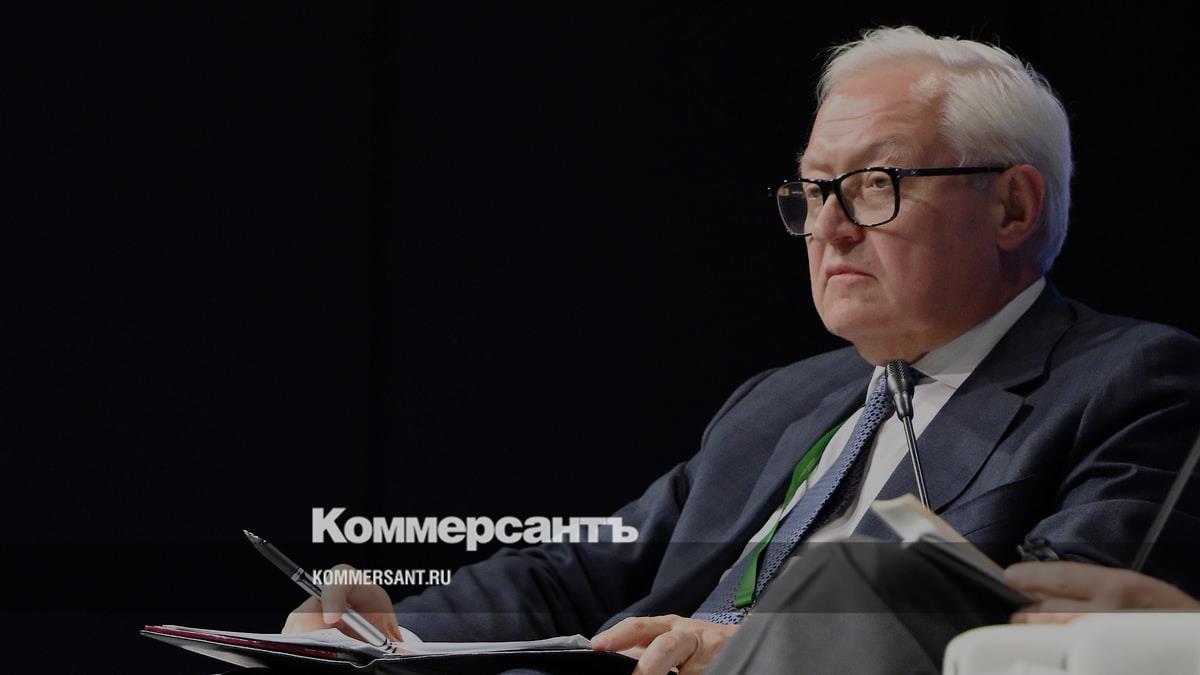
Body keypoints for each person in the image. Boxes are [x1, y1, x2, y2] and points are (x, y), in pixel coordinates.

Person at [283, 26, 1200, 674]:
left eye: (873, 184)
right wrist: (389, 635)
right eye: (813, 191)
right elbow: (578, 573)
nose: (828, 228)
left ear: (1013, 206)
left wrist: (756, 652)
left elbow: (1042, 626)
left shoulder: (1134, 382)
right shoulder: (784, 399)